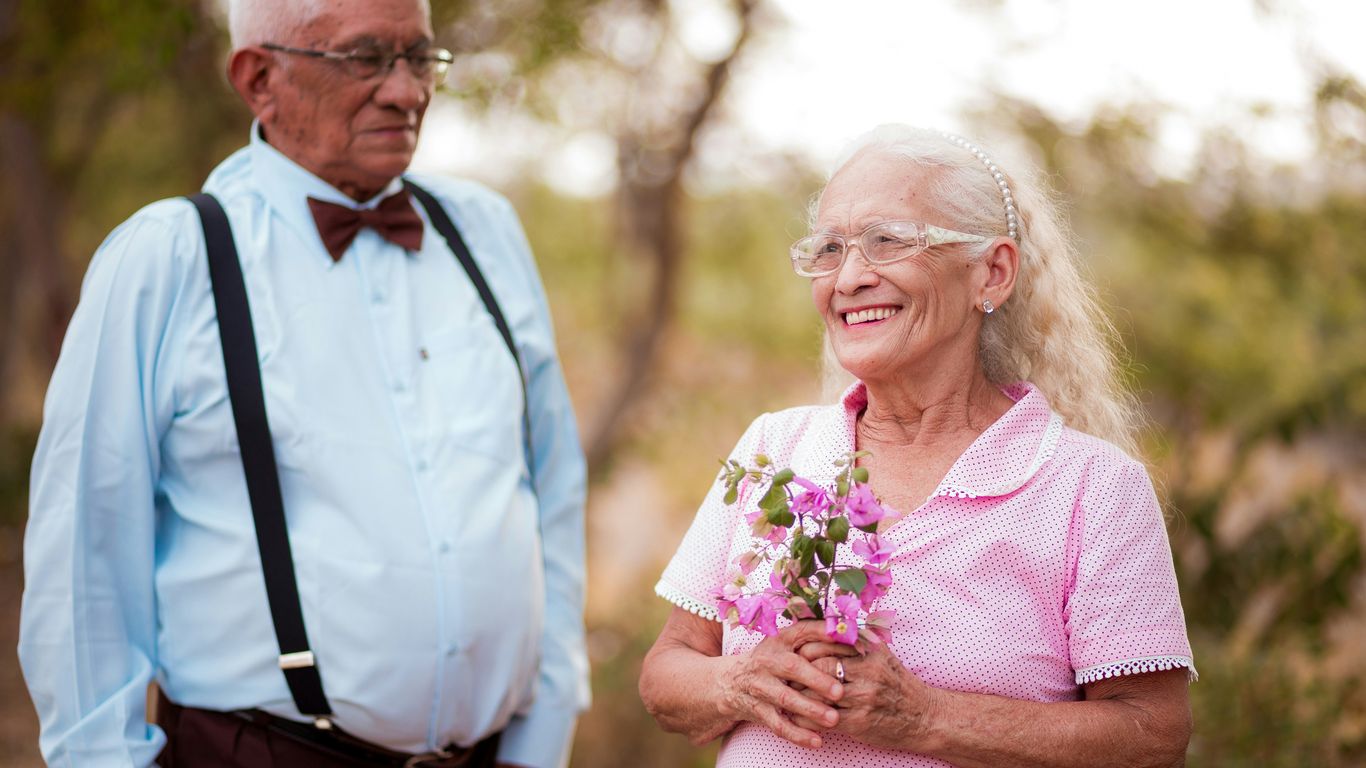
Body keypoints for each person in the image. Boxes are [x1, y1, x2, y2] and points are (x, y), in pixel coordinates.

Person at [17, 0, 589, 766]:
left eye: (419, 57)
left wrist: (543, 735)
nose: (406, 91)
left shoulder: (485, 231)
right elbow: (84, 554)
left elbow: (551, 490)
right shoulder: (167, 258)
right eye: (364, 59)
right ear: (260, 78)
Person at [638, 125, 1195, 767]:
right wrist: (739, 682)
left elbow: (1153, 737)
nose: (847, 278)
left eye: (888, 241)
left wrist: (925, 717)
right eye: (830, 248)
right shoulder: (776, 448)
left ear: (992, 271)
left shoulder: (1091, 486)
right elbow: (667, 673)